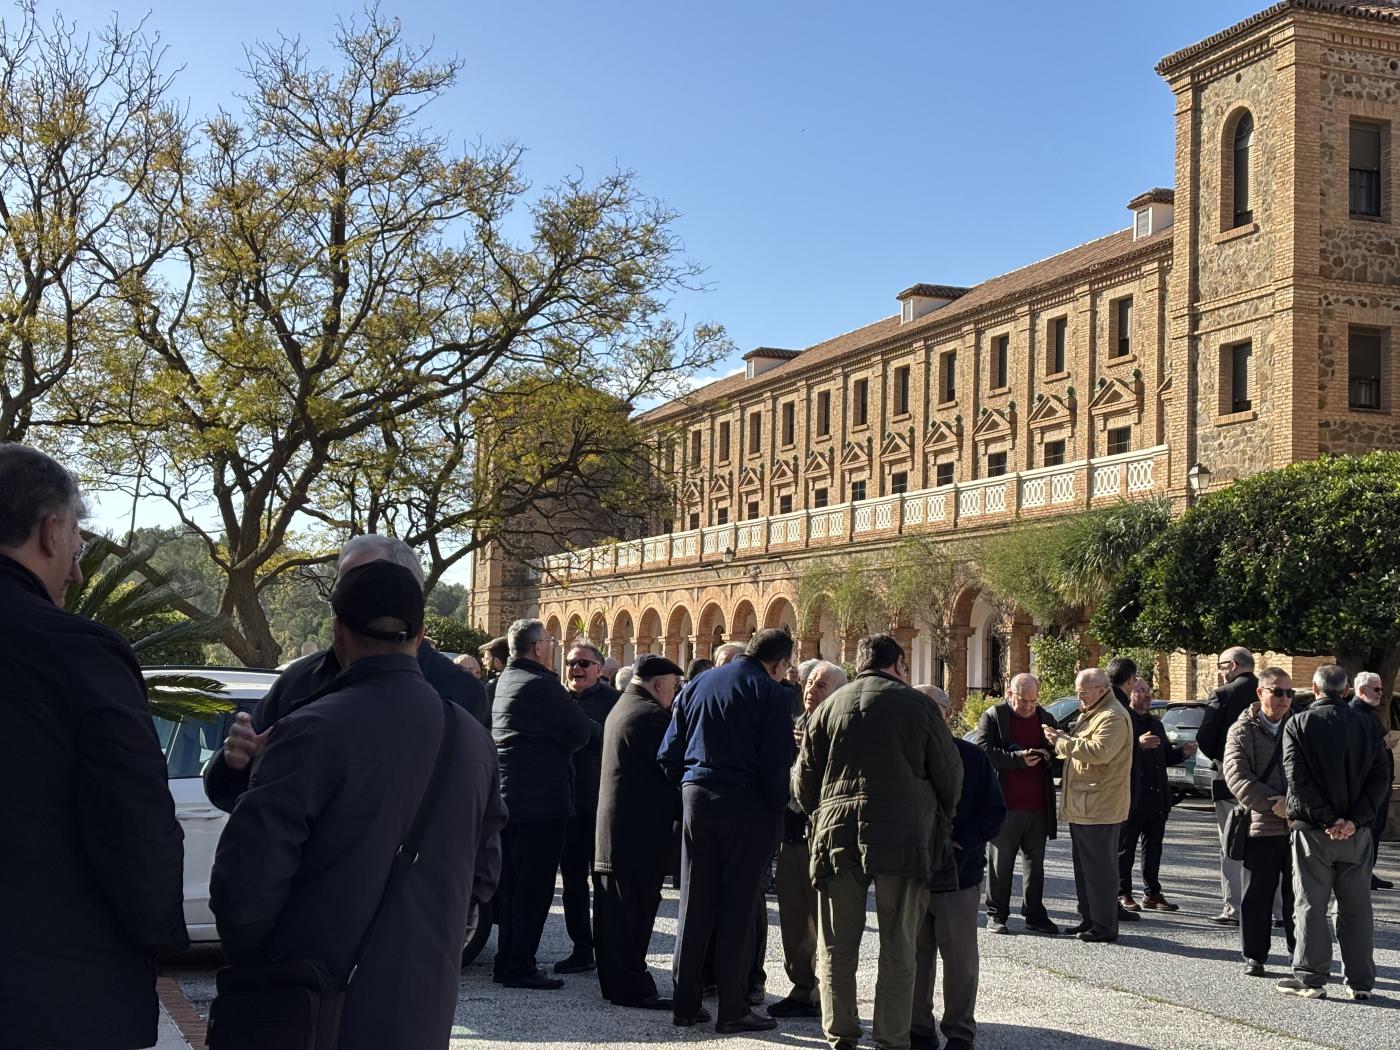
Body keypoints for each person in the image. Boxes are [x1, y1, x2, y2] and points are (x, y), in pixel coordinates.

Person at [210, 560, 507, 1049]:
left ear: (338, 631)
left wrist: (262, 958)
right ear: (421, 634)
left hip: (309, 1000)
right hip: (422, 1000)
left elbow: (245, 880)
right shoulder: (470, 736)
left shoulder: (310, 729)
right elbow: (486, 866)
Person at [0, 444, 188, 1050]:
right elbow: (136, 827)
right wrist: (158, 937)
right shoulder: (80, 654)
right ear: (51, 533)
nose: (78, 572)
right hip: (54, 993)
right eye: (78, 546)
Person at [206, 536, 491, 811]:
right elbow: (237, 797)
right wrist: (235, 762)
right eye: (344, 585)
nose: (349, 597)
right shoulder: (300, 679)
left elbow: (480, 814)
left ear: (409, 596)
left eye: (368, 581)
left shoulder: (460, 692)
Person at [793, 633, 962, 1050]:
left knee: (836, 945)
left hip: (837, 836)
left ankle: (841, 1035)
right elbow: (951, 778)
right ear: (899, 665)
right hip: (904, 839)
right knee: (899, 944)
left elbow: (802, 786)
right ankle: (891, 1039)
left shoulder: (828, 707)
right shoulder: (919, 706)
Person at [660, 628, 796, 1033]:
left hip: (696, 796)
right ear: (778, 663)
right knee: (738, 906)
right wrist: (775, 811)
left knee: (695, 900)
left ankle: (685, 1002)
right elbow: (776, 763)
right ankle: (733, 1008)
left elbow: (668, 751)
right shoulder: (771, 694)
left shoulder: (700, 681)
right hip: (746, 803)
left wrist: (689, 788)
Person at [492, 618, 595, 989]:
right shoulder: (542, 683)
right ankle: (520, 965)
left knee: (511, 888)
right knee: (533, 889)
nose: (552, 646)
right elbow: (579, 731)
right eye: (549, 640)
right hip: (542, 801)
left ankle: (507, 960)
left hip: (509, 796)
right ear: (537, 647)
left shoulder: (507, 678)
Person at [1277, 664, 1389, 1000]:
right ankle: (1360, 981)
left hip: (1313, 830)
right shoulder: (1369, 726)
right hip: (1356, 832)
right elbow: (1379, 780)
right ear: (1345, 692)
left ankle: (1312, 977)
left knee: (1311, 903)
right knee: (1357, 907)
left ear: (1314, 688)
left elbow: (1297, 779)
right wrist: (1354, 820)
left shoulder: (1298, 723)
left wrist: (1328, 819)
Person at [911, 687, 1006, 1050]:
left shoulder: (972, 757)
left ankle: (959, 1032)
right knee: (916, 957)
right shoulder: (904, 757)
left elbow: (994, 812)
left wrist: (961, 841)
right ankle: (918, 1027)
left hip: (959, 874)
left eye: (932, 709)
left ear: (948, 714)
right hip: (914, 874)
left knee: (960, 959)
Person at [592, 654, 685, 1009]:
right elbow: (672, 767)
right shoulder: (648, 715)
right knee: (631, 914)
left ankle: (620, 983)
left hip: (621, 834)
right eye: (673, 687)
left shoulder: (625, 705)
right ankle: (631, 987)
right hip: (634, 836)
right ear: (660, 684)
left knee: (618, 914)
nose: (674, 694)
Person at [770, 660, 847, 1021]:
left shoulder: (845, 731)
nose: (811, 691)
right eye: (810, 683)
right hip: (791, 837)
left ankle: (834, 997)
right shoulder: (796, 726)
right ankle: (803, 989)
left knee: (828, 924)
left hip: (824, 839)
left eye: (822, 686)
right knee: (794, 920)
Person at [1043, 667, 1132, 943]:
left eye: (1083, 692)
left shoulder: (1113, 716)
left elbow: (1099, 752)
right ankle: (1089, 919)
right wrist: (1064, 741)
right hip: (1086, 805)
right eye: (1078, 692)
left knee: (1100, 871)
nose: (1079, 697)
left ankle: (1104, 926)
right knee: (1084, 869)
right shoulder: (1094, 711)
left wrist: (1062, 742)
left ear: (1102, 689)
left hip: (1100, 806)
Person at [1223, 667, 1297, 976]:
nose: (1283, 699)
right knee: (1257, 895)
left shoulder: (1299, 726)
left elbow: (1313, 775)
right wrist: (1275, 804)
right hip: (1260, 826)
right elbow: (1237, 777)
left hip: (1297, 825)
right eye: (1277, 692)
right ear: (1261, 693)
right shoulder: (1242, 730)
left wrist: (1292, 805)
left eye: (1289, 693)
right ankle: (1255, 955)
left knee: (1300, 897)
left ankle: (1302, 954)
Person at [975, 671, 1060, 936]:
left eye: (1033, 702)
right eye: (1023, 701)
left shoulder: (1046, 719)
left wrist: (1047, 755)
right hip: (1005, 805)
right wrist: (1017, 758)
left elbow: (1060, 758)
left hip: (1038, 805)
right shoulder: (995, 716)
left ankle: (1034, 914)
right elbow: (982, 751)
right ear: (1010, 694)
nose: (1028, 707)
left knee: (1036, 864)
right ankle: (996, 914)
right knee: (1001, 864)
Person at [556, 639, 621, 974]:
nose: (575, 669)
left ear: (598, 668)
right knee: (572, 882)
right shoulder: (558, 699)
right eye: (570, 663)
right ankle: (581, 948)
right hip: (565, 804)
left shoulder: (613, 702)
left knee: (605, 882)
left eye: (583, 663)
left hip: (599, 805)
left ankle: (608, 949)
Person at [1117, 664, 1193, 914]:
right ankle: (1123, 893)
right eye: (1140, 690)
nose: (1147, 695)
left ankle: (1152, 892)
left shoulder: (1156, 723)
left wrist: (1182, 753)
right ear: (1130, 694)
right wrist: (1137, 745)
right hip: (1132, 797)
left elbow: (1165, 757)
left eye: (1148, 691)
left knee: (1154, 848)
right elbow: (1116, 754)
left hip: (1157, 798)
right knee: (1125, 849)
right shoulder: (1125, 721)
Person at [1196, 646, 1260, 925]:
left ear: (1232, 665)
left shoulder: (1223, 695)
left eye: (1221, 666)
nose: (1220, 672)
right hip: (1269, 784)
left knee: (1231, 841)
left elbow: (1205, 737)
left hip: (1228, 780)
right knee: (1269, 843)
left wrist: (1222, 760)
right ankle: (1277, 909)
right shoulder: (1271, 691)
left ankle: (1234, 908)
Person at [1350, 671, 1396, 890]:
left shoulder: (1369, 714)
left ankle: (1369, 871)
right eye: (1375, 689)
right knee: (1367, 832)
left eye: (1381, 689)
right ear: (1361, 690)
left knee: (1375, 831)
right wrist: (1383, 745)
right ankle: (1362, 874)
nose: (1380, 694)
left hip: (1380, 787)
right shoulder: (1356, 714)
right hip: (1367, 789)